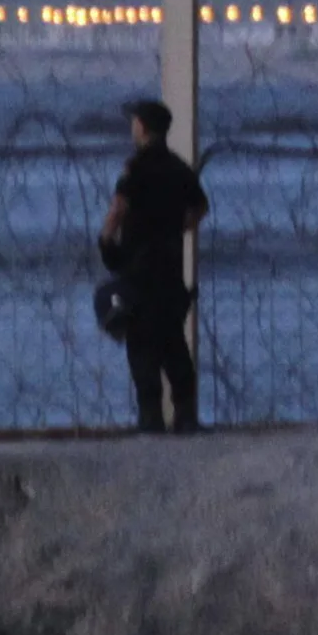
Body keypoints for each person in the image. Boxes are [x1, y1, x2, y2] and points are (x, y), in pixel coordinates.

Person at [100, 97, 207, 434]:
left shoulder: (136, 168)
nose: (132, 126)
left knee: (142, 344)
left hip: (139, 268)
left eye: (134, 121)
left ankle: (150, 418)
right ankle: (186, 415)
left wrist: (106, 241)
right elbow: (199, 210)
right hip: (169, 267)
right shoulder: (178, 168)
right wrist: (175, 229)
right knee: (173, 340)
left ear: (142, 127)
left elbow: (119, 208)